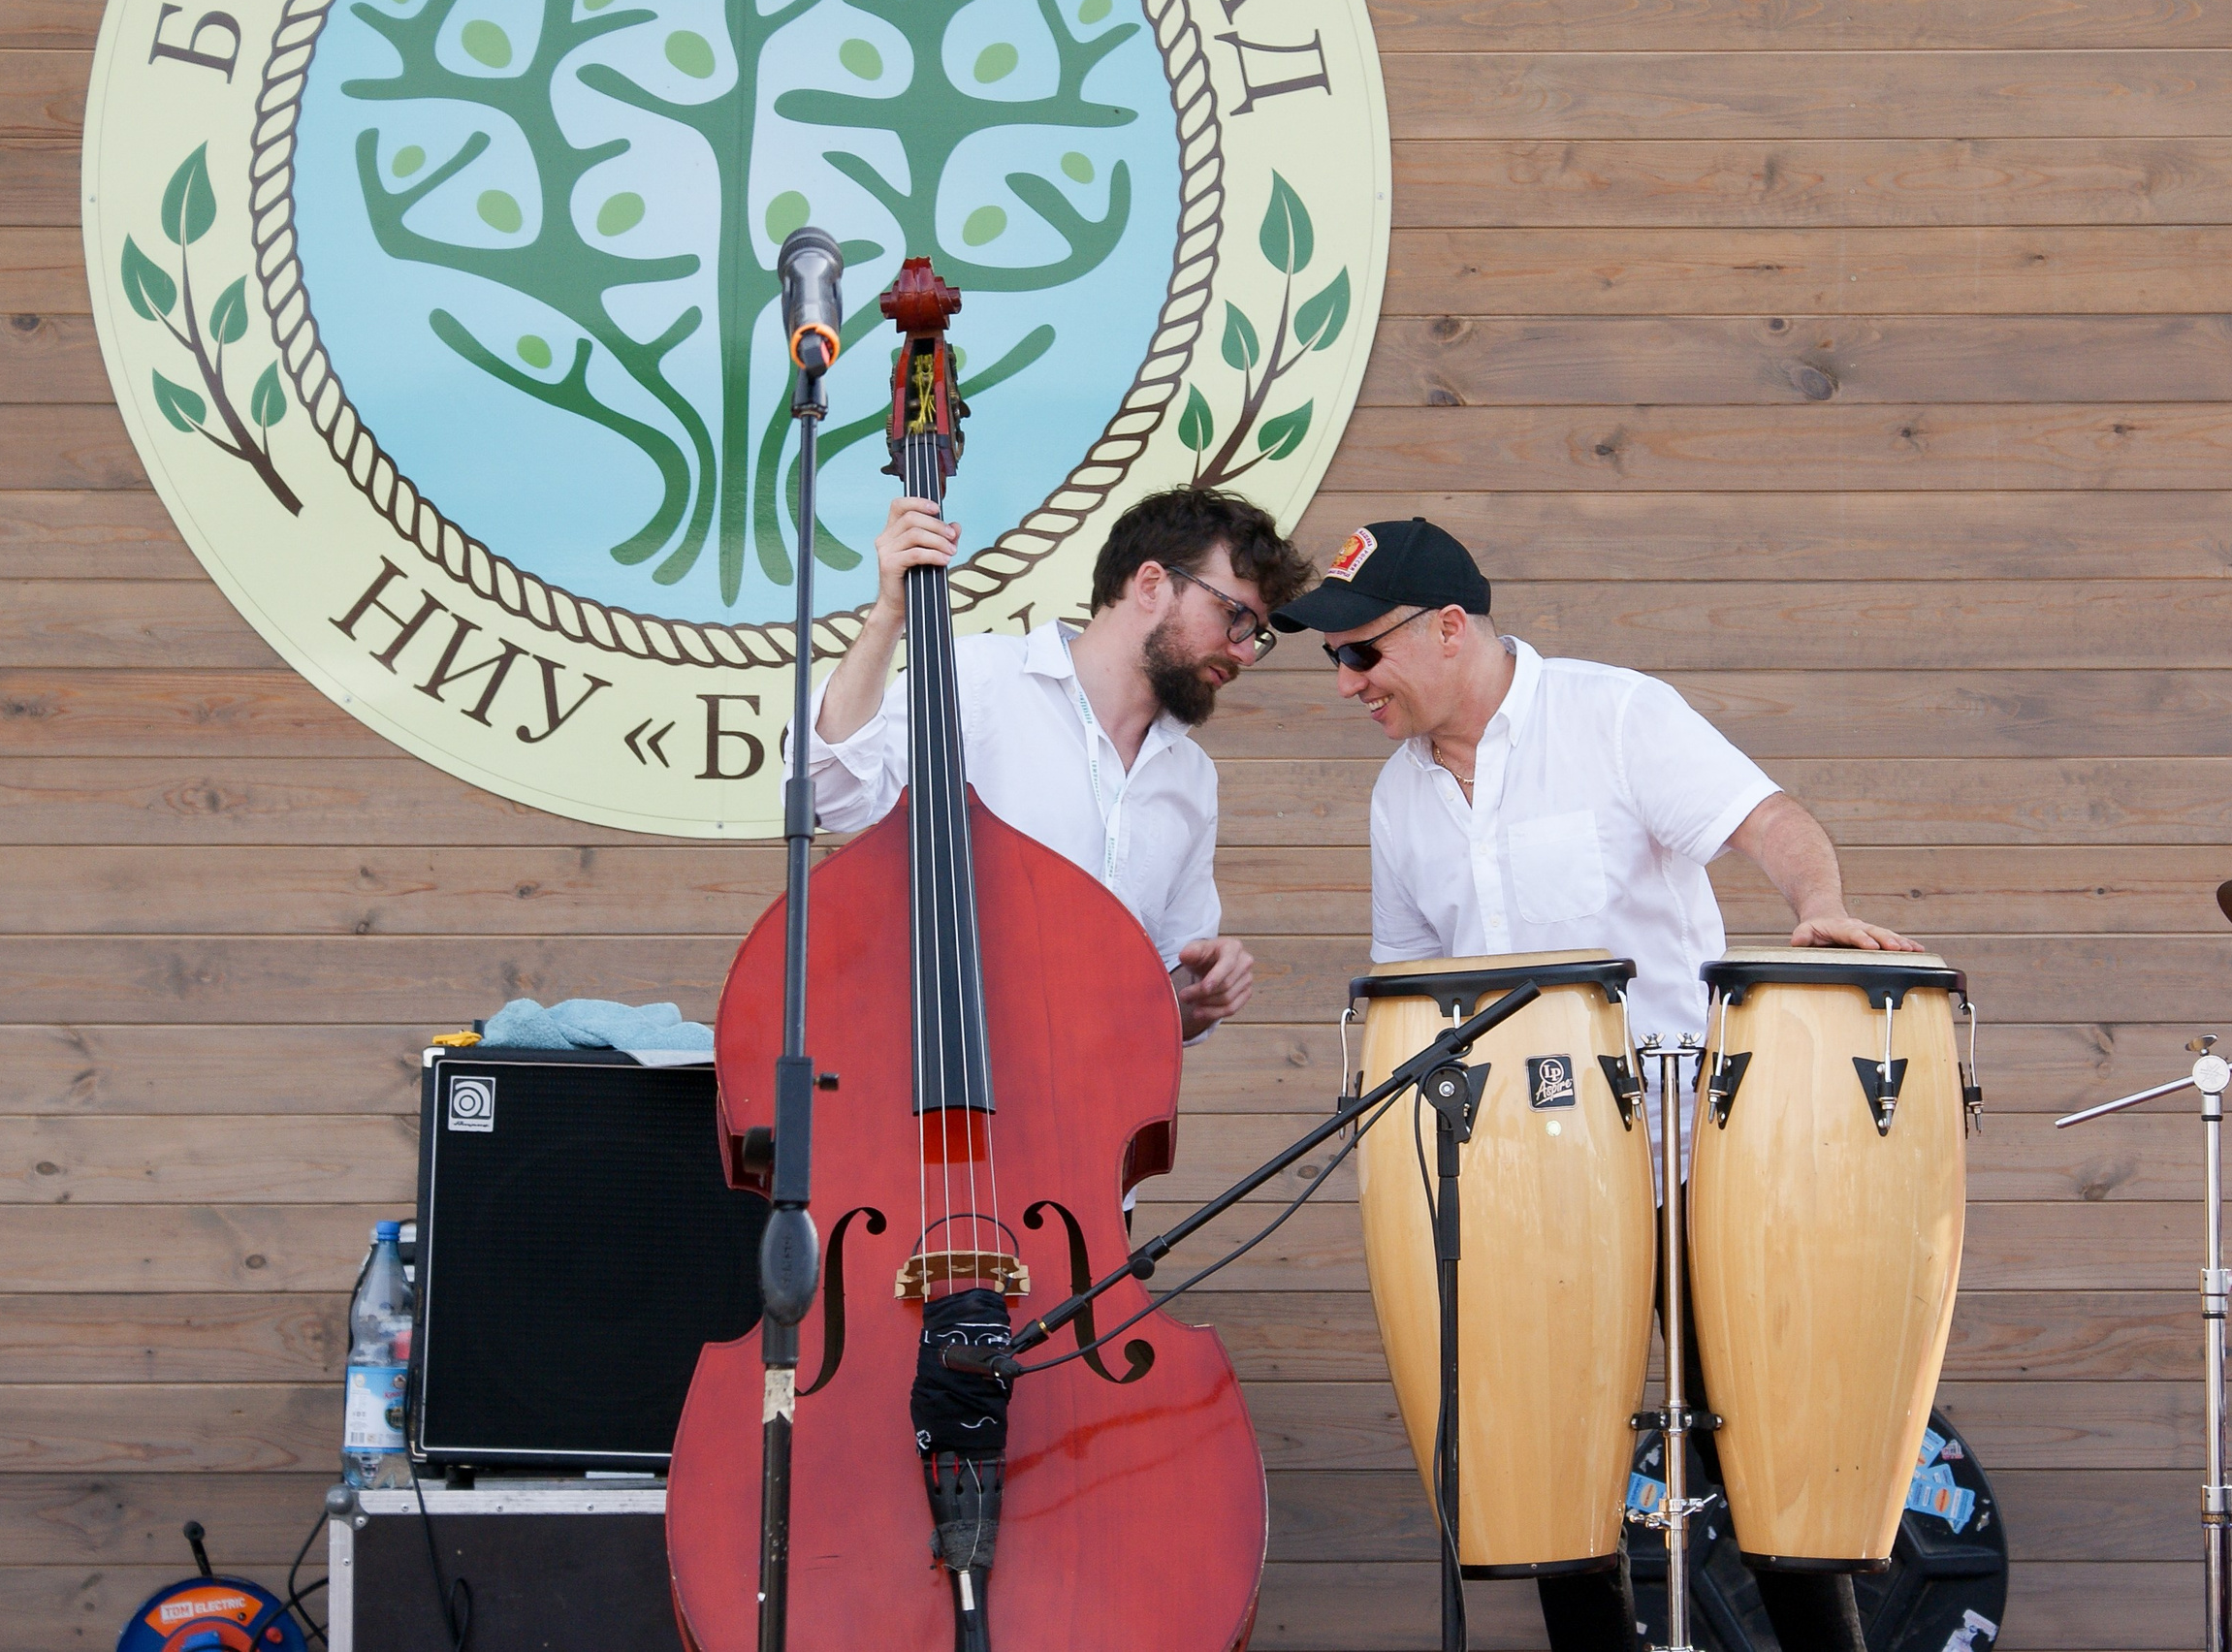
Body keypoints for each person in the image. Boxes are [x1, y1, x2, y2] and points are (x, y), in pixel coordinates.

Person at [1271, 516, 1920, 1652]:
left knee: (1759, 1451)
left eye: (1359, 652)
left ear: (1450, 629)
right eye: (1334, 657)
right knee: (1553, 1482)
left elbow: (1769, 819)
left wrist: (1814, 905)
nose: (1345, 683)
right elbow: (1411, 990)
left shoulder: (1616, 714)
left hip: (1688, 1158)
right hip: (1522, 1182)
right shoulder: (1397, 798)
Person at [804, 486, 1313, 1044]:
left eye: (1256, 635)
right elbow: (828, 795)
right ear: (1150, 585)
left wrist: (1203, 992)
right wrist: (889, 616)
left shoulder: (1192, 777)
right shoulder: (978, 680)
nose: (1243, 651)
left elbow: (1164, 998)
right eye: (1234, 616)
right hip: (937, 1082)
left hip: (1091, 1106)